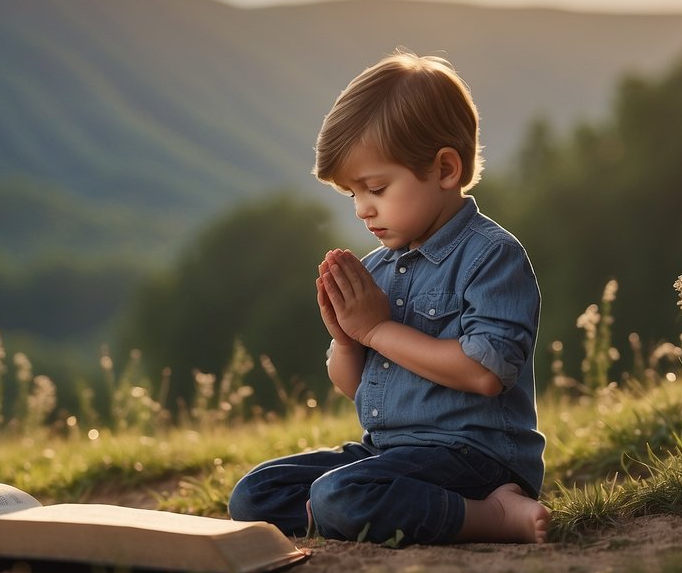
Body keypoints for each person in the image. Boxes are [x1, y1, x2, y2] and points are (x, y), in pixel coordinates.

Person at [227, 50, 549, 545]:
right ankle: (362, 509)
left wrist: (378, 329)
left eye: (375, 188)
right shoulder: (377, 269)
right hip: (389, 453)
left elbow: (486, 373)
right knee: (256, 494)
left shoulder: (491, 256)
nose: (361, 210)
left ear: (444, 169)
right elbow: (355, 387)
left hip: (475, 458)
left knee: (340, 494)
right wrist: (348, 339)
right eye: (352, 195)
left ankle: (494, 516)